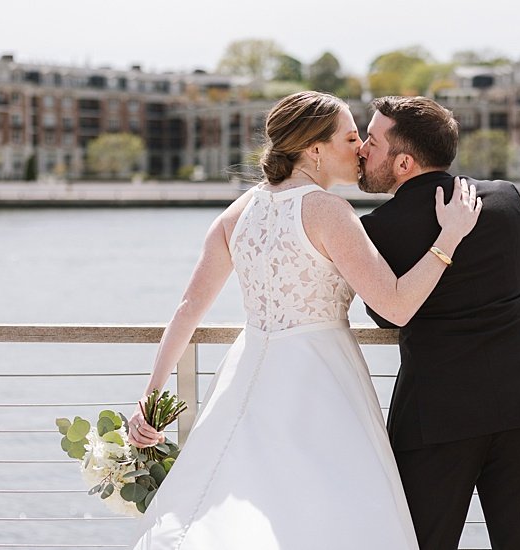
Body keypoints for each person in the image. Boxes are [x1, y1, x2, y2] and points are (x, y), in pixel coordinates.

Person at [125, 91, 481, 549]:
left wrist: (150, 397)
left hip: (246, 374)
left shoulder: (237, 213)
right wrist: (448, 239)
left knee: (234, 501)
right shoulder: (329, 211)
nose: (361, 148)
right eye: (351, 137)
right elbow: (395, 306)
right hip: (322, 379)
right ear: (314, 149)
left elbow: (188, 309)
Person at [357, 95, 520, 549]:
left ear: (403, 162)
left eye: (372, 141)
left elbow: (386, 316)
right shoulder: (504, 199)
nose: (362, 148)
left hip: (435, 419)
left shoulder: (377, 228)